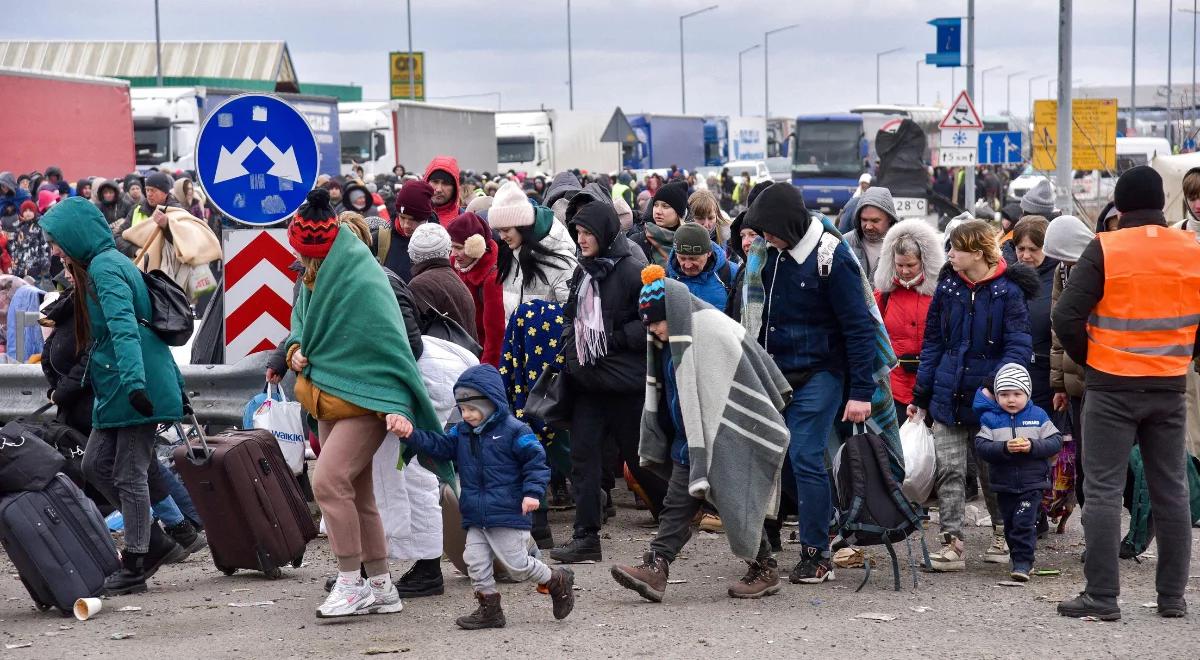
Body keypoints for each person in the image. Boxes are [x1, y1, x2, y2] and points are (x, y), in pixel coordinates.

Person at [284, 189, 442, 618]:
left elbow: (393, 345)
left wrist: (398, 403)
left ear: (325, 246)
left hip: (368, 399)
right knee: (358, 492)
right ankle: (381, 585)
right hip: (328, 394)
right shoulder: (317, 273)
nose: (303, 267)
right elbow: (302, 324)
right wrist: (295, 349)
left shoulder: (362, 277)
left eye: (307, 257)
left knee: (327, 482)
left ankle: (351, 583)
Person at [1053, 165, 1200, 621]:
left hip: (1112, 386)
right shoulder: (1191, 248)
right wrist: (1186, 355)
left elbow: (1065, 317)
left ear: (1119, 204)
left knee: (1101, 492)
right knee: (1171, 490)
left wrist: (1092, 358)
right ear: (1163, 203)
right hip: (1169, 386)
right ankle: (1172, 599)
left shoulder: (1105, 248)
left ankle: (1102, 596)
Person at [609, 265, 790, 602]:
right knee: (678, 504)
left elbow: (740, 375)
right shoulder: (667, 340)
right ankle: (657, 567)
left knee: (734, 501)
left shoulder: (710, 329)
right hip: (690, 440)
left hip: (721, 434)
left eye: (655, 321)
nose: (652, 330)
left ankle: (764, 567)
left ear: (672, 313)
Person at [39, 197, 188, 596]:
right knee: (94, 464)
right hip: (118, 383)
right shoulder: (100, 266)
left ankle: (139, 559)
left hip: (133, 384)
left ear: (74, 237)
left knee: (128, 474)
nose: (54, 250)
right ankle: (154, 539)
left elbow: (126, 329)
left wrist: (137, 385)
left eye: (57, 242)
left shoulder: (105, 270)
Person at [740, 182, 877, 584]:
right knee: (766, 457)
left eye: (768, 229)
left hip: (822, 374)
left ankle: (817, 554)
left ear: (789, 224)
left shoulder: (832, 258)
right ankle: (763, 548)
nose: (762, 237)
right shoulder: (767, 255)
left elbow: (859, 328)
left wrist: (861, 394)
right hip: (772, 374)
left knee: (804, 455)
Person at [390, 364, 575, 629]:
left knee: (517, 565)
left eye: (471, 409)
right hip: (476, 514)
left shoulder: (515, 431)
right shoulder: (461, 433)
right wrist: (411, 435)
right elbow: (440, 447)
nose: (466, 415)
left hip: (507, 512)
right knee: (475, 561)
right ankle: (489, 608)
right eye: (462, 409)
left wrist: (533, 493)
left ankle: (556, 579)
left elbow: (536, 462)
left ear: (490, 403)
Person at [909, 219, 1038, 572]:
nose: (949, 254)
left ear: (977, 253)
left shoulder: (1008, 291)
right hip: (948, 394)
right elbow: (933, 342)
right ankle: (953, 542)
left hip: (989, 400)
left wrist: (996, 387)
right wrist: (920, 395)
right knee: (949, 471)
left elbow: (1018, 345)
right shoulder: (947, 287)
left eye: (955, 248)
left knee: (992, 472)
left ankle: (1001, 534)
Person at [550, 189, 662, 564]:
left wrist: (609, 339)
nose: (580, 239)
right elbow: (569, 318)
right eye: (577, 233)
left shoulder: (631, 271)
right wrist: (573, 348)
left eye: (587, 233)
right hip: (587, 384)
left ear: (605, 231)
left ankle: (670, 522)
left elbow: (651, 324)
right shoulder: (583, 272)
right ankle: (586, 537)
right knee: (583, 461)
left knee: (640, 459)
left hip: (624, 386)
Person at [973, 363, 1063, 582]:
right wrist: (1004, 447)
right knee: (1010, 524)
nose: (1011, 400)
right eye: (1004, 394)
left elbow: (1055, 441)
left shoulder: (1038, 415)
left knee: (1023, 522)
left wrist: (1032, 446)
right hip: (1003, 484)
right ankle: (1017, 558)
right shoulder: (991, 419)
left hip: (1032, 483)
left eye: (1016, 394)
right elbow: (981, 446)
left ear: (1027, 393)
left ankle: (1024, 562)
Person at [1045, 215, 1095, 508]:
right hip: (1075, 382)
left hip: (1103, 378)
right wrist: (1059, 384)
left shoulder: (1098, 267)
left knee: (1099, 460)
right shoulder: (1062, 272)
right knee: (1084, 460)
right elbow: (1058, 328)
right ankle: (1093, 531)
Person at [872, 218, 944, 421]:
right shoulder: (884, 296)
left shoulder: (941, 295)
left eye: (911, 265)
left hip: (932, 384)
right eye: (899, 265)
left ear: (924, 261)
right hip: (893, 385)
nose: (904, 271)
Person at [489, 181, 576, 320]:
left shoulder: (562, 262)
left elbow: (572, 316)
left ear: (523, 225)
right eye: (498, 231)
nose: (502, 236)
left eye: (506, 230)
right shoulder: (509, 256)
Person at [1011, 217, 1059, 413]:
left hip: (1047, 374)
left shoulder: (1060, 275)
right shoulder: (1010, 277)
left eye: (1033, 249)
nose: (1026, 255)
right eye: (1021, 249)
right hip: (1015, 372)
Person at [446, 212, 505, 366]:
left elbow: (495, 336)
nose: (454, 254)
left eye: (459, 248)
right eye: (451, 246)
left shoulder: (491, 280)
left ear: (475, 247)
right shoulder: (454, 265)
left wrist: (487, 371)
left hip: (479, 358)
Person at [407, 222, 477, 339]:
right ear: (447, 250)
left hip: (443, 355)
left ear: (413, 255)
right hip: (466, 355)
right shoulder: (454, 278)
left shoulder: (419, 286)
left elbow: (415, 336)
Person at [666, 222, 737, 311]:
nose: (687, 265)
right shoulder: (665, 278)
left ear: (708, 253)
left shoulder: (732, 273)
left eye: (693, 259)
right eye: (682, 258)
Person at [375, 179, 436, 281]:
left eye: (413, 219)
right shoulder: (381, 239)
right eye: (402, 217)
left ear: (425, 218)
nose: (406, 225)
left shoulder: (439, 241)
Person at [845, 186, 899, 282]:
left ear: (890, 218)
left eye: (875, 221)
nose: (868, 226)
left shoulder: (902, 244)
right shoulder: (845, 243)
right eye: (864, 220)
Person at [633, 180, 688, 267]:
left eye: (665, 206)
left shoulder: (690, 241)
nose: (658, 211)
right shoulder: (637, 241)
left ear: (678, 212)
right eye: (656, 205)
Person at [425, 156, 463, 226]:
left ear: (455, 188)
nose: (439, 189)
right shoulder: (412, 216)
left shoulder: (464, 221)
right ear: (426, 182)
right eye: (435, 182)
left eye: (446, 183)